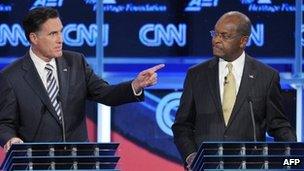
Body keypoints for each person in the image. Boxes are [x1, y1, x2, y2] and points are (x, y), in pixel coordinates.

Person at [0, 7, 164, 152]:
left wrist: (135, 85)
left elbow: (106, 93)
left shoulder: (75, 62)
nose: (60, 39)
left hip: (77, 159)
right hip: (36, 161)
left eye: (61, 31)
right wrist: (10, 139)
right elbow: (5, 123)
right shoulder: (11, 76)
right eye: (53, 34)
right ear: (34, 38)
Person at [172, 11, 296, 169]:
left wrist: (291, 155)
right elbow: (182, 125)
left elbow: (279, 125)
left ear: (243, 41)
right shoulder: (196, 75)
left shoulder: (267, 76)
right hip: (207, 166)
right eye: (215, 34)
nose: (216, 40)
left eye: (224, 36)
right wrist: (191, 156)